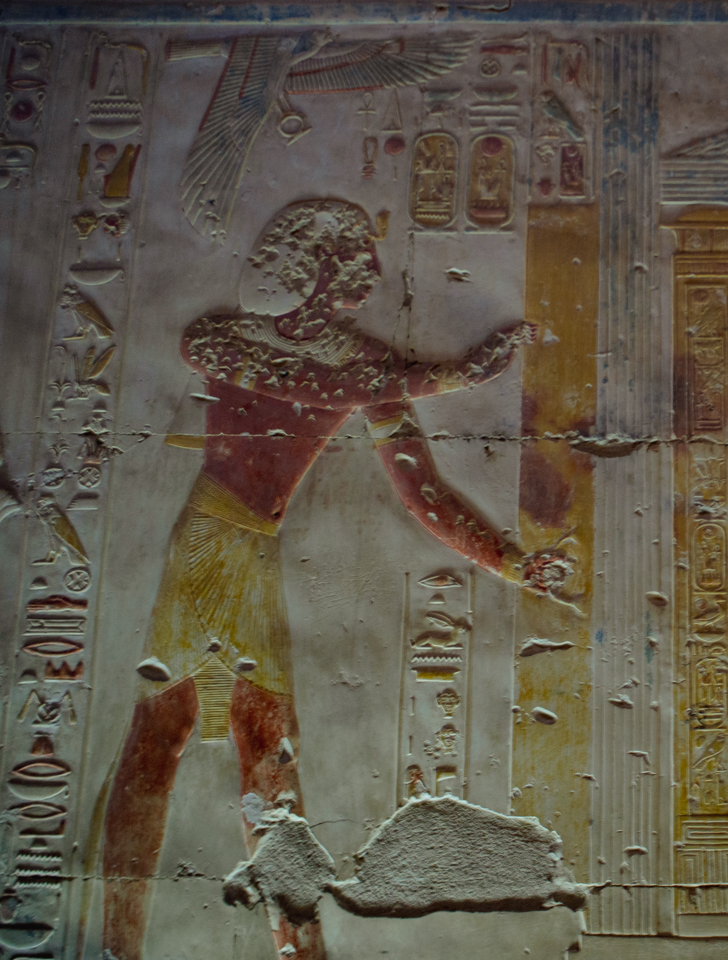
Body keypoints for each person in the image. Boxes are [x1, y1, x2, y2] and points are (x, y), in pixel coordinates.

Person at [102, 199, 557, 960]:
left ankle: (301, 948)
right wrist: (444, 375)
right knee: (164, 733)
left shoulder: (366, 368)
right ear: (310, 265)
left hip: (255, 554)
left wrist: (510, 562)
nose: (367, 274)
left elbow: (424, 494)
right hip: (207, 543)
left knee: (268, 748)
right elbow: (297, 380)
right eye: (351, 256)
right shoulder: (227, 337)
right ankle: (118, 943)